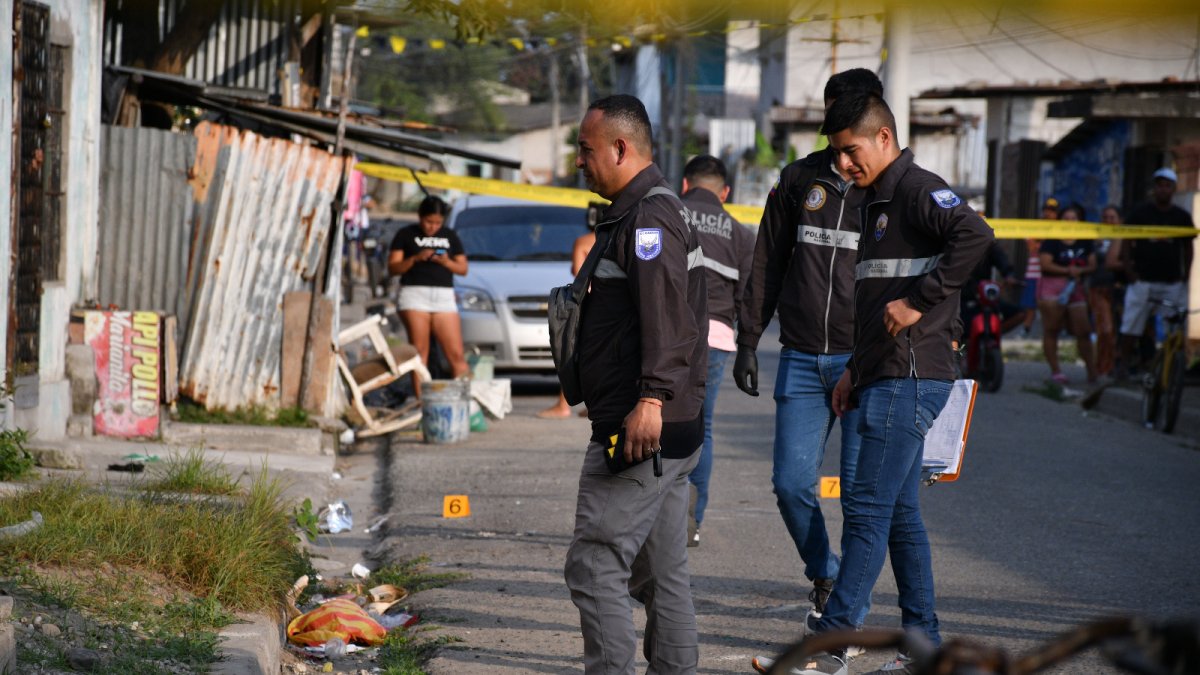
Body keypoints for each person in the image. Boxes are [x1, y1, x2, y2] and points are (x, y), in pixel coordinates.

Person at [799, 92, 992, 675]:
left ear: (884, 138)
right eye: (836, 155)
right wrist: (856, 366)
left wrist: (920, 301)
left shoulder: (915, 189)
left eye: (851, 151)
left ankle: (829, 645)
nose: (844, 165)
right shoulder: (873, 200)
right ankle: (923, 646)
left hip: (912, 375)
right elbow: (875, 298)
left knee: (866, 507)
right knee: (899, 513)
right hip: (883, 371)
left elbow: (976, 235)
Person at [563, 94, 708, 674]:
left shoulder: (647, 218)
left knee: (595, 563)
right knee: (664, 574)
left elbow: (667, 317)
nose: (579, 161)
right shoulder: (643, 211)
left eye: (586, 149)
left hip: (642, 426)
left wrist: (649, 398)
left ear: (621, 149)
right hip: (670, 425)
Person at [736, 70, 881, 648]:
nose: (837, 141)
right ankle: (825, 574)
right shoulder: (798, 179)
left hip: (865, 362)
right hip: (799, 357)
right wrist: (749, 338)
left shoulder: (889, 188)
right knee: (792, 484)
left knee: (856, 494)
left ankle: (845, 615)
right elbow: (767, 260)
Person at [678, 154, 754, 547]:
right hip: (718, 339)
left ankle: (653, 519)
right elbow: (747, 299)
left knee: (659, 421)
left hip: (671, 336)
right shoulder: (741, 234)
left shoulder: (670, 213)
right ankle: (692, 523)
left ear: (685, 185)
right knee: (701, 429)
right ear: (725, 193)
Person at [1116, 168, 1195, 378]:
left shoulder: (1181, 216)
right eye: (1159, 185)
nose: (1163, 189)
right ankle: (1123, 365)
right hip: (1143, 279)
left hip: (1171, 282)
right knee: (1132, 323)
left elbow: (1188, 247)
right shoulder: (1140, 213)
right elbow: (1125, 240)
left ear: (1173, 189)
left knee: (1176, 326)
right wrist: (1129, 269)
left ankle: (1175, 366)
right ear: (1154, 188)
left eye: (1167, 185)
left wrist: (1186, 274)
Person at [388, 195, 470, 381]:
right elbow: (393, 267)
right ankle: (422, 404)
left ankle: (463, 404)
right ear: (420, 217)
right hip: (414, 295)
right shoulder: (406, 234)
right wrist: (415, 258)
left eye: (437, 223)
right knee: (420, 352)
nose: (432, 227)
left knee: (456, 354)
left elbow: (463, 269)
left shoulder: (449, 235)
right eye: (428, 221)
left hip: (444, 296)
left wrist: (446, 261)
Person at [538, 227, 598, 419]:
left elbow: (578, 273)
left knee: (573, 352)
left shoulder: (583, 241)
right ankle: (596, 402)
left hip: (592, 300)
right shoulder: (625, 231)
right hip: (618, 303)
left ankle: (563, 405)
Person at [1037, 204, 1097, 385]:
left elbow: (1092, 265)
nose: (1070, 221)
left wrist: (1079, 271)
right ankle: (1056, 371)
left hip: (1075, 287)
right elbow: (1045, 264)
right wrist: (1067, 270)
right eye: (1066, 218)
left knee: (1084, 331)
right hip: (1052, 286)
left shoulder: (1085, 240)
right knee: (1052, 329)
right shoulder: (1052, 240)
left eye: (1074, 218)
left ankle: (1092, 371)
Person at [1089, 205, 1121, 377]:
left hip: (1119, 288)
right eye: (1105, 217)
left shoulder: (1125, 238)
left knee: (1118, 329)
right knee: (1105, 329)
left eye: (1112, 217)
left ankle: (1117, 364)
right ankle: (1103, 366)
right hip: (1099, 288)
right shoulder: (1095, 238)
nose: (1108, 221)